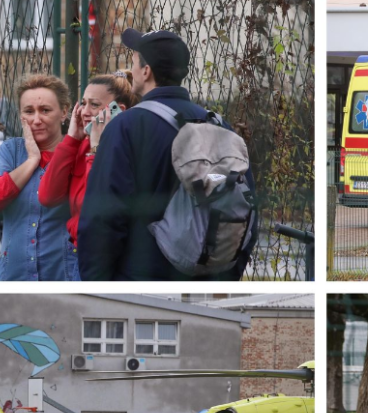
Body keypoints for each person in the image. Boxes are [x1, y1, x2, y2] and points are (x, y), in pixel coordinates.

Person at [78, 28, 257, 281]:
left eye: (134, 60)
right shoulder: (218, 125)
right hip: (206, 275)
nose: (132, 66)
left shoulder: (127, 126)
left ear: (146, 71)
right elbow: (248, 205)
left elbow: (103, 218)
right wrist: (225, 276)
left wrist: (98, 284)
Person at [0, 75, 78, 281]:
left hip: (61, 275)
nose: (36, 119)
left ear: (64, 112)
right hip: (14, 277)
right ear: (20, 115)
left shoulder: (77, 154)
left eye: (45, 110)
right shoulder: (11, 150)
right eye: (29, 111)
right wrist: (32, 160)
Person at [38, 71, 139, 247]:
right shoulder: (82, 144)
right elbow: (48, 197)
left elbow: (98, 208)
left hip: (109, 250)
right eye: (83, 103)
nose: (84, 111)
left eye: (94, 105)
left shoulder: (129, 149)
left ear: (118, 110)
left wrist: (95, 152)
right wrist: (71, 139)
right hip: (80, 248)